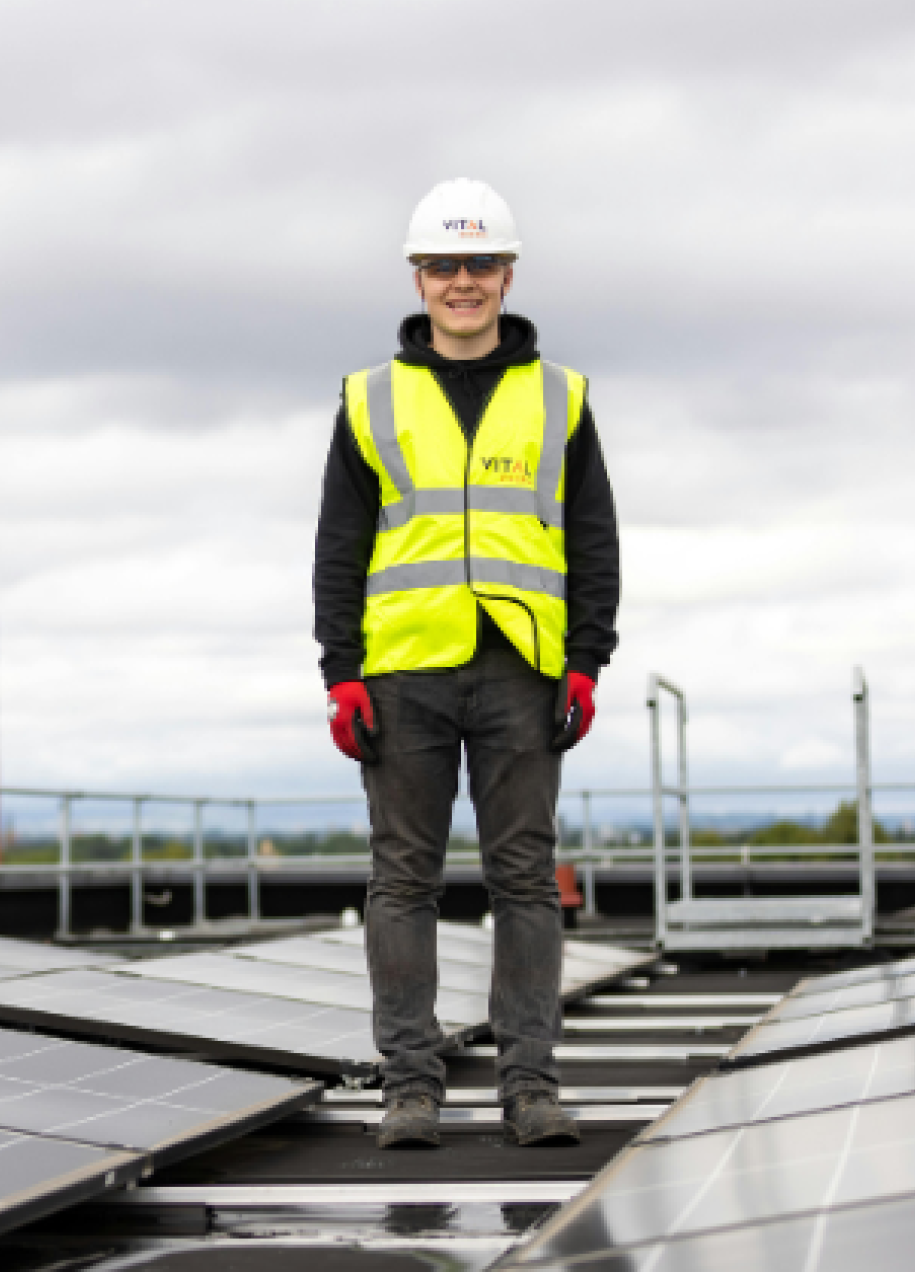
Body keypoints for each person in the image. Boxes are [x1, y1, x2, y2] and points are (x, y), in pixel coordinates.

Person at [312, 178, 621, 1149]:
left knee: (523, 878)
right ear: (418, 276)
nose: (462, 282)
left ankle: (531, 1088)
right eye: (444, 265)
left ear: (508, 272)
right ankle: (412, 1087)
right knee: (402, 880)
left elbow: (591, 534)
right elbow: (340, 541)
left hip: (523, 672)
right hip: (404, 671)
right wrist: (342, 671)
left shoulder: (560, 395)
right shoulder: (369, 397)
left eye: (479, 263)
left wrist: (586, 658)